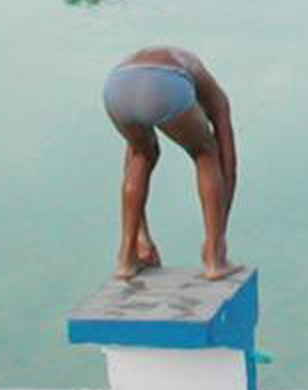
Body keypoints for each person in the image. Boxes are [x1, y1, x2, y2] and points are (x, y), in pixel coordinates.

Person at [100, 47, 239, 281]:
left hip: (117, 85)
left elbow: (130, 164)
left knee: (140, 155)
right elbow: (229, 166)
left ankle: (127, 259)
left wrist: (142, 239)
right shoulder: (218, 99)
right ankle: (215, 261)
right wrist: (219, 238)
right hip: (165, 83)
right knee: (205, 153)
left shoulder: (179, 63)